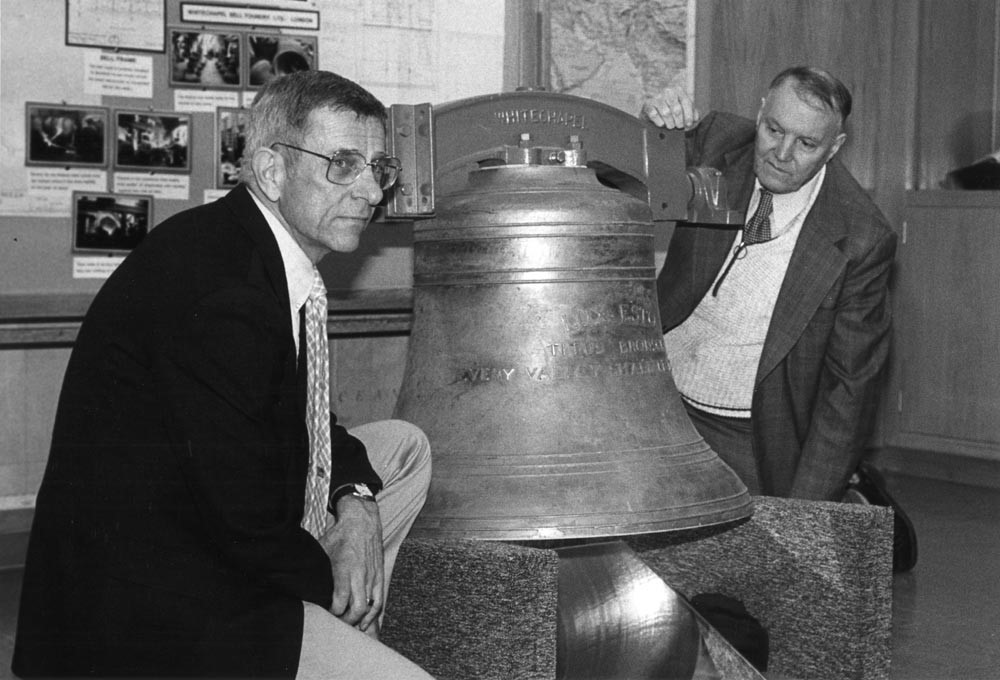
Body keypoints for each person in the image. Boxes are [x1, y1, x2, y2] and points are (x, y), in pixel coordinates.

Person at [12, 70, 434, 678]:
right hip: (159, 611)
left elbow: (308, 419)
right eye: (343, 163)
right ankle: (341, 619)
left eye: (379, 167)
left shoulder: (259, 251)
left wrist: (359, 506)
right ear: (271, 170)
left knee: (404, 450)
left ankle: (345, 619)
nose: (370, 191)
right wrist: (336, 571)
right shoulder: (220, 290)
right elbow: (242, 520)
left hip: (214, 534)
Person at [642, 66, 914, 571]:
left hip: (747, 430)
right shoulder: (718, 139)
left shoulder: (861, 237)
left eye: (807, 143)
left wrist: (804, 513)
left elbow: (849, 390)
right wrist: (654, 123)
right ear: (761, 112)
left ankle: (852, 492)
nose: (781, 154)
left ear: (835, 148)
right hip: (660, 403)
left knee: (742, 585)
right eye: (774, 130)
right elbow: (629, 169)